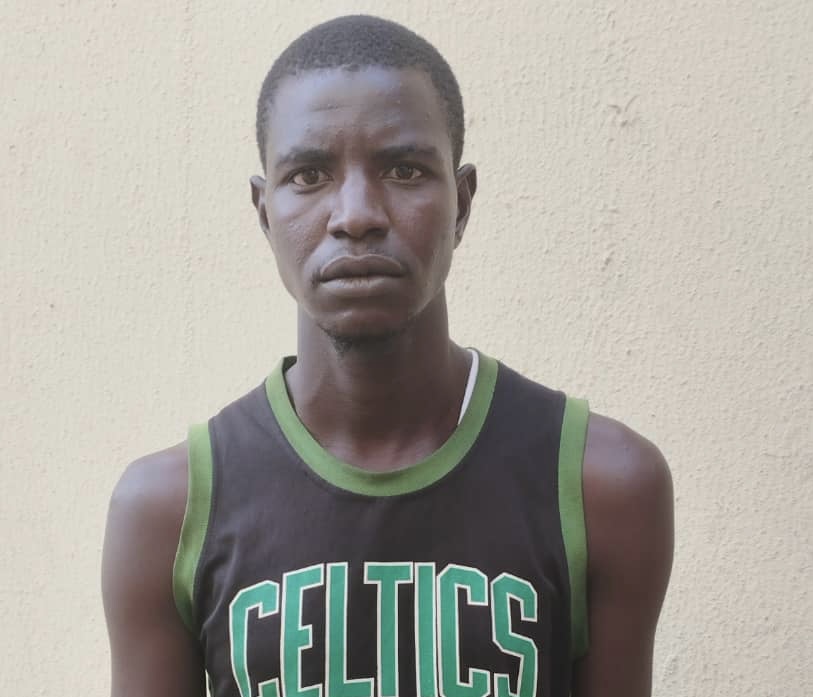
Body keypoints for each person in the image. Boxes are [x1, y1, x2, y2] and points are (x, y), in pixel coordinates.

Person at [102, 15, 673, 697]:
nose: (355, 214)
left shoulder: (598, 484)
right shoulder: (169, 510)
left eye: (404, 170)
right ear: (264, 211)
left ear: (460, 203)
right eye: (309, 175)